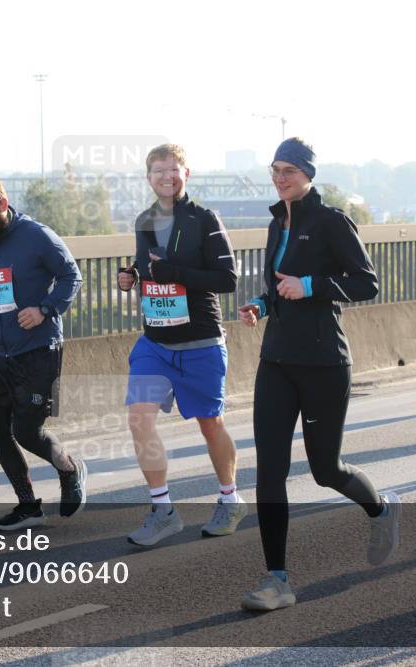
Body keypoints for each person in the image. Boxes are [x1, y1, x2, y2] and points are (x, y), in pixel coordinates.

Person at [238, 138, 399, 611]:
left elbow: (366, 283)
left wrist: (308, 286)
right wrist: (263, 303)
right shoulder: (276, 222)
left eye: (289, 169)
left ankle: (381, 510)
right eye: (275, 169)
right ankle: (277, 580)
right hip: (277, 361)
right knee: (269, 472)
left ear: (308, 173)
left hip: (325, 363)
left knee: (325, 470)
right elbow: (276, 284)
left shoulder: (331, 222)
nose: (280, 177)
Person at [0, 175, 87, 530]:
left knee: (26, 431)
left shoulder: (36, 235)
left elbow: (72, 276)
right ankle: (28, 505)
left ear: (2, 206)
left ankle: (69, 467)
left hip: (37, 349)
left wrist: (45, 308)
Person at [116, 143, 242, 546]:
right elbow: (148, 267)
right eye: (158, 171)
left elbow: (227, 280)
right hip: (155, 341)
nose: (166, 177)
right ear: (148, 177)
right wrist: (131, 277)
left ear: (187, 174)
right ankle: (163, 509)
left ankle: (230, 497)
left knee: (210, 424)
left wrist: (176, 273)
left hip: (200, 340)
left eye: (173, 170)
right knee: (139, 418)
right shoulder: (144, 220)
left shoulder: (205, 219)